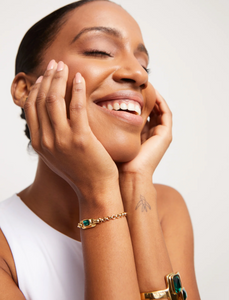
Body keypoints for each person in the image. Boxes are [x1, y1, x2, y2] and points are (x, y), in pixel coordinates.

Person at [0, 0, 201, 299]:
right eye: (99, 50)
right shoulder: (6, 248)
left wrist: (137, 181)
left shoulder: (164, 207)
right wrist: (98, 192)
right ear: (25, 89)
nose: (139, 74)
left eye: (144, 65)